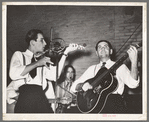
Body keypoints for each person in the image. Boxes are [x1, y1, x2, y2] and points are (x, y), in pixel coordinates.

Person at [7, 29, 80, 113]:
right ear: (32, 43)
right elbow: (13, 73)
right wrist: (37, 63)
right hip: (24, 99)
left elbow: (54, 75)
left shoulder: (41, 61)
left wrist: (65, 53)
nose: (45, 43)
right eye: (42, 40)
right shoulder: (19, 55)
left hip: (40, 98)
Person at [70, 40, 140, 113]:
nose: (102, 49)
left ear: (111, 51)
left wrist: (134, 61)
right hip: (94, 106)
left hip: (114, 105)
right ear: (96, 53)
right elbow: (73, 86)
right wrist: (82, 85)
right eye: (99, 47)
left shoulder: (120, 66)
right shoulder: (91, 68)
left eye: (105, 47)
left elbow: (133, 84)